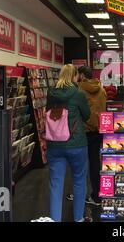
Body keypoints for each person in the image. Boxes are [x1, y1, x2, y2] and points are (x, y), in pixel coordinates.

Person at [46, 64, 90, 222]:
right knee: (79, 180)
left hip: (54, 144)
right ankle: (78, 218)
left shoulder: (51, 93)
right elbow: (86, 115)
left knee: (56, 184)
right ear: (74, 76)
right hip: (76, 143)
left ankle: (55, 219)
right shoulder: (78, 94)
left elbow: (48, 113)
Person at [67, 66, 107, 206]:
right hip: (99, 131)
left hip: (83, 132)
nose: (77, 77)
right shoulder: (102, 89)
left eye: (78, 74)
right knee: (95, 163)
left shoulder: (79, 91)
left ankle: (80, 194)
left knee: (80, 165)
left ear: (83, 75)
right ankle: (97, 196)